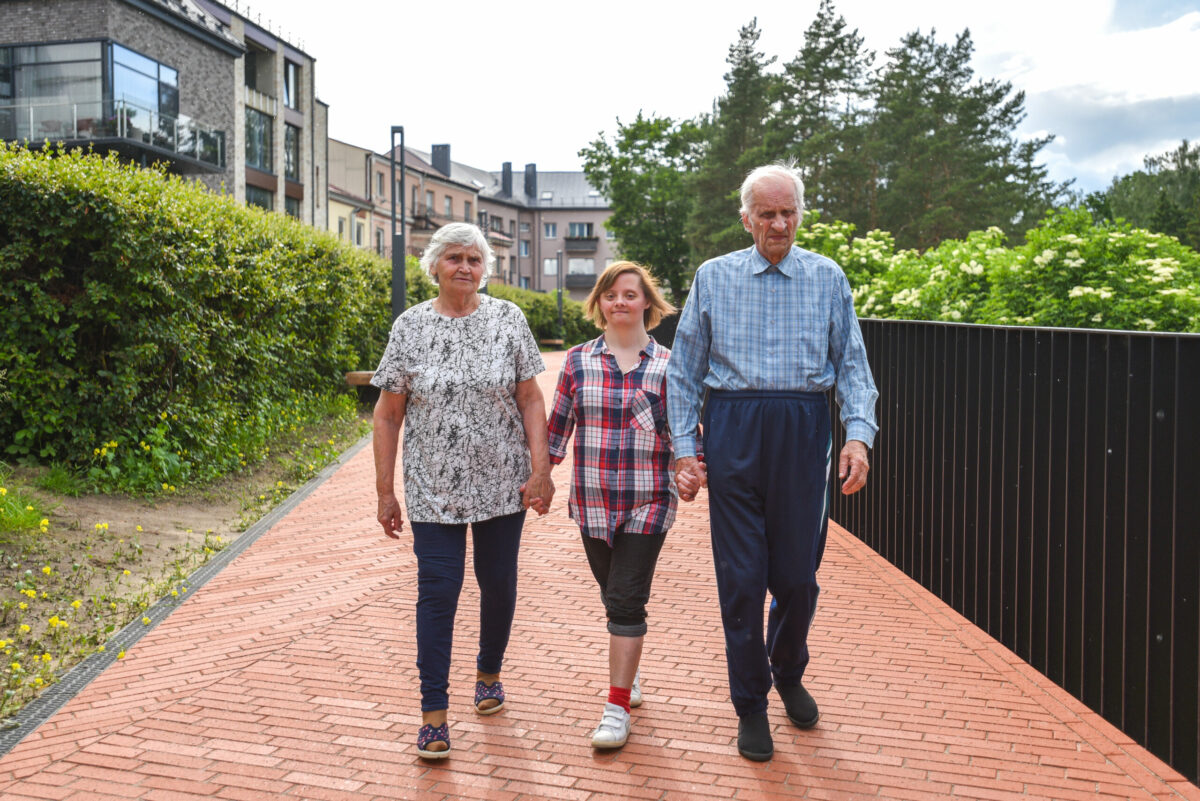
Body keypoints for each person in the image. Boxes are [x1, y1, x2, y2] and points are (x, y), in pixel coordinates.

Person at [666, 162, 878, 762]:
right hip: (734, 427)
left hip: (804, 429)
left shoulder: (827, 277)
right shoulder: (713, 277)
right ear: (747, 219)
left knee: (797, 578)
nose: (779, 223)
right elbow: (683, 371)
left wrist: (858, 437)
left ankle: (787, 669)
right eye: (767, 214)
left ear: (800, 214)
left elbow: (854, 365)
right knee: (740, 579)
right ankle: (751, 703)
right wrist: (685, 450)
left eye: (788, 212)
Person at [371, 222, 554, 760]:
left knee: (498, 583)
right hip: (433, 489)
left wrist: (541, 470)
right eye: (454, 257)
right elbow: (387, 414)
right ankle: (433, 713)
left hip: (502, 482)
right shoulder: (410, 327)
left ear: (484, 269)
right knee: (439, 590)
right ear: (434, 266)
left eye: (474, 259)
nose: (465, 268)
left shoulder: (508, 319)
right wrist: (385, 492)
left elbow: (531, 399)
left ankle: (489, 673)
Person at [546, 261, 693, 750]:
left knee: (627, 600)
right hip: (591, 504)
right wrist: (539, 477)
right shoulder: (577, 361)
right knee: (613, 598)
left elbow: (686, 435)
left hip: (648, 503)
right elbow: (556, 430)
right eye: (610, 295)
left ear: (646, 301)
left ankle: (616, 708)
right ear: (599, 303)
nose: (620, 302)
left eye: (630, 294)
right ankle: (628, 674)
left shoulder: (670, 366)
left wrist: (690, 468)